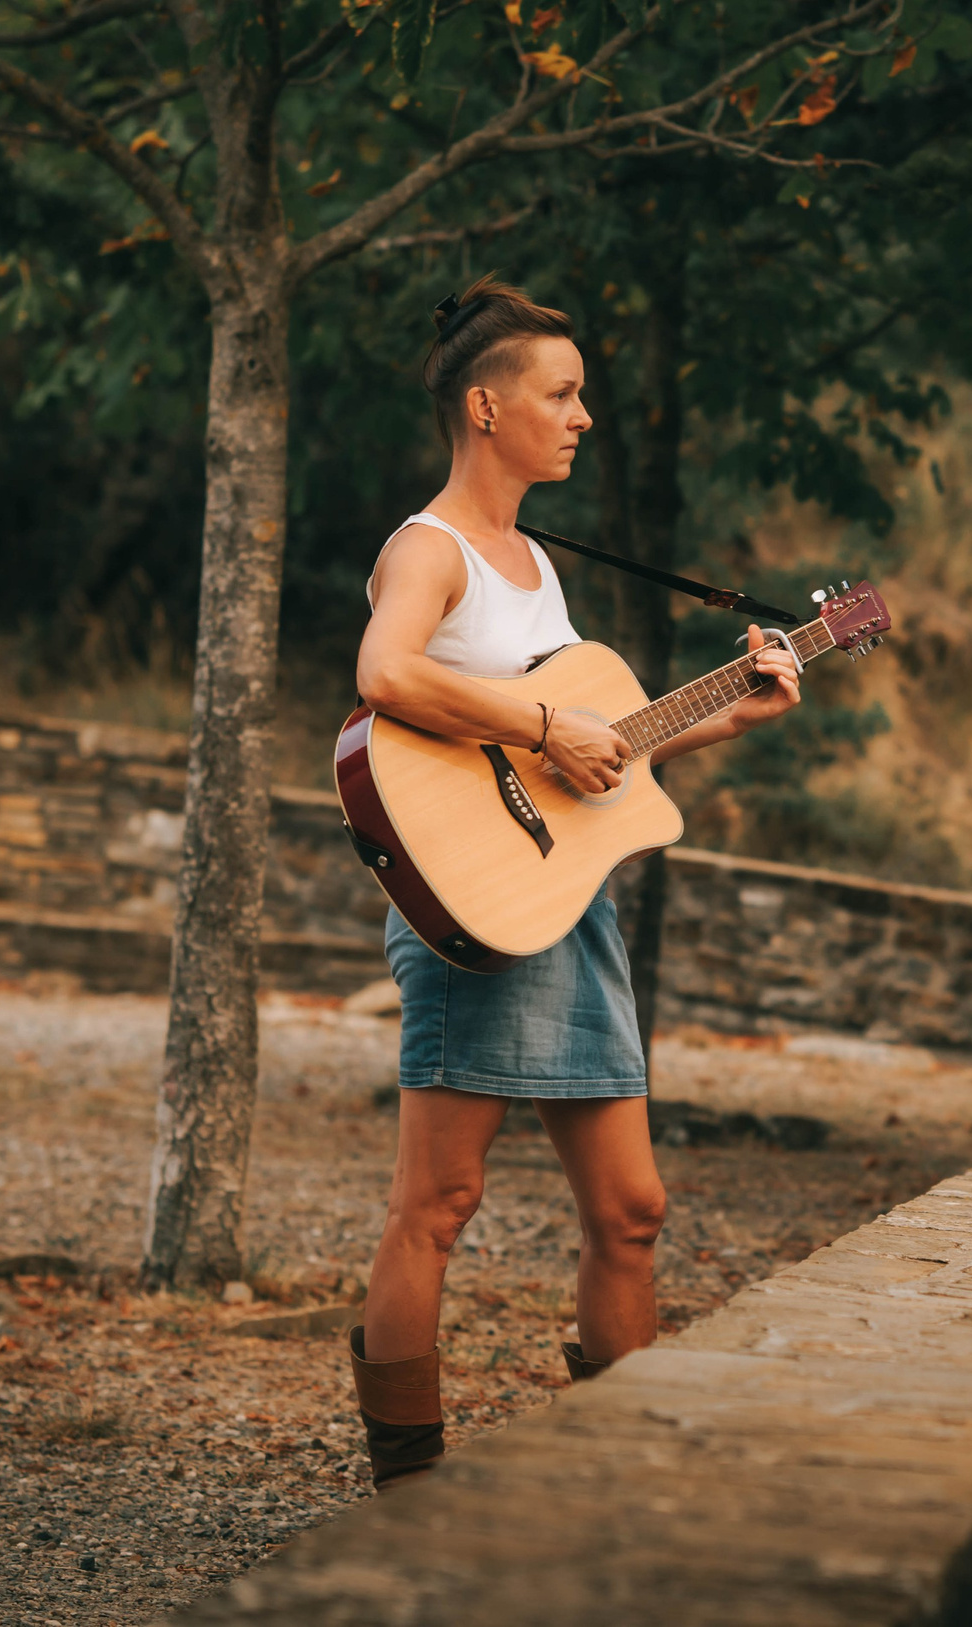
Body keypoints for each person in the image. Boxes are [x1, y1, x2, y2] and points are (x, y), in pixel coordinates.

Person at [345, 276, 802, 1490]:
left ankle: (616, 1473)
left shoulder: (537, 563)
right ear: (486, 408)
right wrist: (548, 719)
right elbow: (387, 677)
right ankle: (409, 1485)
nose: (582, 416)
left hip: (565, 904)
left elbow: (598, 753)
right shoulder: (428, 552)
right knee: (438, 1205)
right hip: (472, 915)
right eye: (561, 393)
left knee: (633, 1211)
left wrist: (729, 715)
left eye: (583, 395)